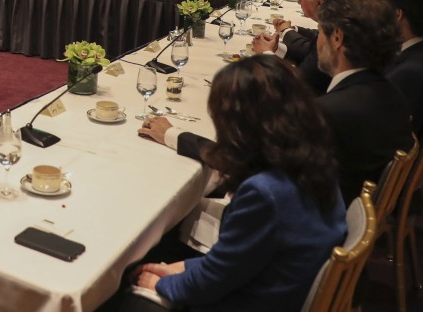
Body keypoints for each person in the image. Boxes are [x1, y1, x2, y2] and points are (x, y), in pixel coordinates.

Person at [130, 56, 345, 312]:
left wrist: (160, 283)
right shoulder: (314, 159)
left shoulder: (265, 193)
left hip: (258, 300)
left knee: (133, 297)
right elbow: (233, 260)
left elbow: (213, 281)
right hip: (281, 282)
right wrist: (182, 268)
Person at [314, 0, 413, 205]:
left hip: (331, 221)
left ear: (337, 38)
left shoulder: (328, 112)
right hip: (362, 211)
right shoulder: (394, 94)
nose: (317, 41)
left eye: (319, 31)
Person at [252, 0, 352, 94]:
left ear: (319, 1)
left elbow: (297, 85)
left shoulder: (333, 30)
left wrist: (265, 55)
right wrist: (276, 49)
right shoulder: (342, 17)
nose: (299, 2)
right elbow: (311, 59)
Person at [380, 0, 423, 135]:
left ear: (397, 14)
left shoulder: (410, 72)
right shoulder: (406, 52)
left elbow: (386, 133)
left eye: (379, 5)